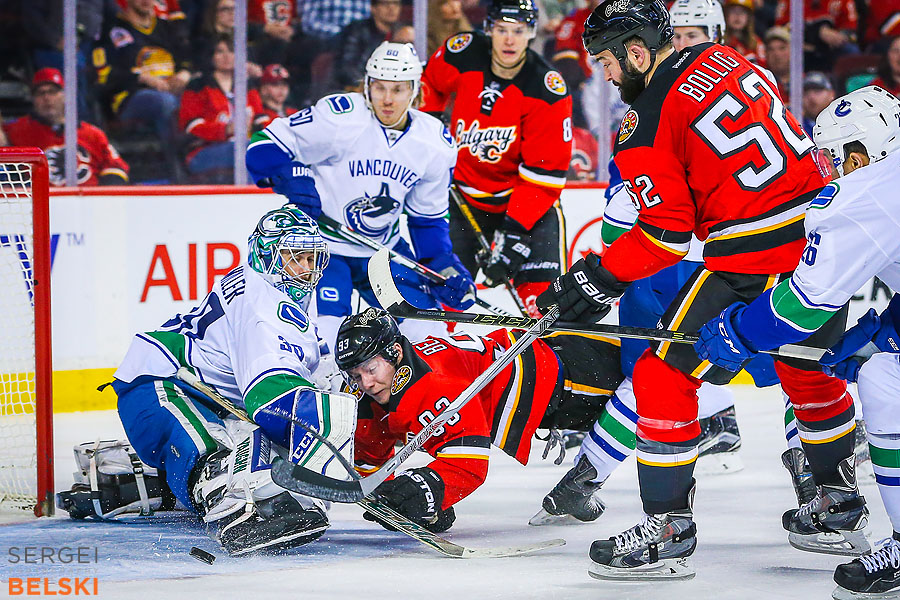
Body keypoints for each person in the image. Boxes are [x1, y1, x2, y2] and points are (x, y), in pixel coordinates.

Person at [536, 0, 856, 580]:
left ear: (637, 53)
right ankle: (839, 505)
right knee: (808, 368)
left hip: (749, 261)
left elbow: (664, 238)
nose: (605, 76)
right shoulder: (728, 57)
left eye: (607, 61)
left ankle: (667, 528)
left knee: (661, 373)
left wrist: (595, 276)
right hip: (820, 247)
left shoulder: (645, 125)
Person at [692, 85, 900, 600]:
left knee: (885, 383)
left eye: (833, 158)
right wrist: (884, 330)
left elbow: (801, 306)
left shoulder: (870, 189)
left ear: (859, 153)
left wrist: (737, 332)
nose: (828, 170)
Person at [56, 207, 355, 556]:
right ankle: (237, 514)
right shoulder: (262, 303)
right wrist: (322, 438)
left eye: (310, 257)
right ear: (265, 254)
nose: (305, 269)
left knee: (251, 452)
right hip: (160, 383)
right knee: (214, 453)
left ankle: (126, 481)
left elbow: (302, 369)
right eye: (293, 258)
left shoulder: (285, 289)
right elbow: (267, 398)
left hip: (204, 396)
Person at [245, 42, 476, 350]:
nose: (388, 100)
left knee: (429, 338)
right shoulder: (339, 117)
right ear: (367, 86)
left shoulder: (433, 142)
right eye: (379, 88)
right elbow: (262, 146)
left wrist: (444, 266)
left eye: (398, 90)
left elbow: (427, 222)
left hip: (383, 253)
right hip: (324, 251)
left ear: (415, 91)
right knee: (324, 345)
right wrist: (292, 177)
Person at [337, 307, 623, 531]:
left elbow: (471, 465)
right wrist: (386, 490)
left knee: (649, 400)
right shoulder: (377, 389)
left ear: (395, 352)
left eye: (371, 369)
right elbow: (369, 456)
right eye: (355, 375)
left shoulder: (434, 387)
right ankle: (579, 488)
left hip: (569, 378)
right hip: (543, 362)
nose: (366, 383)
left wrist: (428, 490)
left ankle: (582, 487)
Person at [421, 0, 573, 317]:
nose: (509, 40)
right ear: (489, 28)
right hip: (461, 200)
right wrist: (428, 132)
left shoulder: (546, 89)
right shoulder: (461, 53)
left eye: (518, 31)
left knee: (542, 309)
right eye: (502, 30)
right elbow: (429, 83)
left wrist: (514, 232)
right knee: (442, 305)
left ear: (531, 32)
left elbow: (544, 178)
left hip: (526, 210)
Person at [92, 0, 192, 151]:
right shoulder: (110, 30)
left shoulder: (167, 28)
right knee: (165, 102)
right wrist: (141, 77)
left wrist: (185, 73)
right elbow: (103, 75)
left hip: (171, 90)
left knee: (194, 98)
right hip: (130, 97)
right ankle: (177, 158)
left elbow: (187, 59)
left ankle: (193, 153)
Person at [3, 68, 130, 186]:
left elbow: (116, 168)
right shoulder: (18, 129)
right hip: (43, 205)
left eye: (52, 92)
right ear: (33, 99)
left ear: (64, 96)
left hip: (90, 204)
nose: (47, 98)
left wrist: (103, 201)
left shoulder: (92, 134)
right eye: (40, 93)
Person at [178, 35, 268, 182]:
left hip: (242, 145)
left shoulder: (246, 84)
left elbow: (261, 118)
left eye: (231, 51)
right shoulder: (197, 85)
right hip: (203, 152)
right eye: (220, 52)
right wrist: (226, 130)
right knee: (250, 150)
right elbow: (191, 127)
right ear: (211, 56)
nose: (226, 56)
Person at [334, 0, 405, 90]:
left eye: (396, 3)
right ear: (373, 8)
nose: (391, 8)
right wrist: (368, 84)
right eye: (385, 3)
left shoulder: (402, 31)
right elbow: (346, 67)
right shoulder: (357, 30)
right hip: (357, 86)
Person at [723, 0, 766, 66]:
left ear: (749, 17)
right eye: (733, 11)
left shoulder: (757, 43)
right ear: (726, 15)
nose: (738, 16)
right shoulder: (718, 40)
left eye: (742, 12)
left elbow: (763, 70)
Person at [800, 71, 835, 137]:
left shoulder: (843, 123)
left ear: (831, 94)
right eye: (805, 93)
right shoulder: (797, 126)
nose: (811, 97)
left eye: (817, 91)